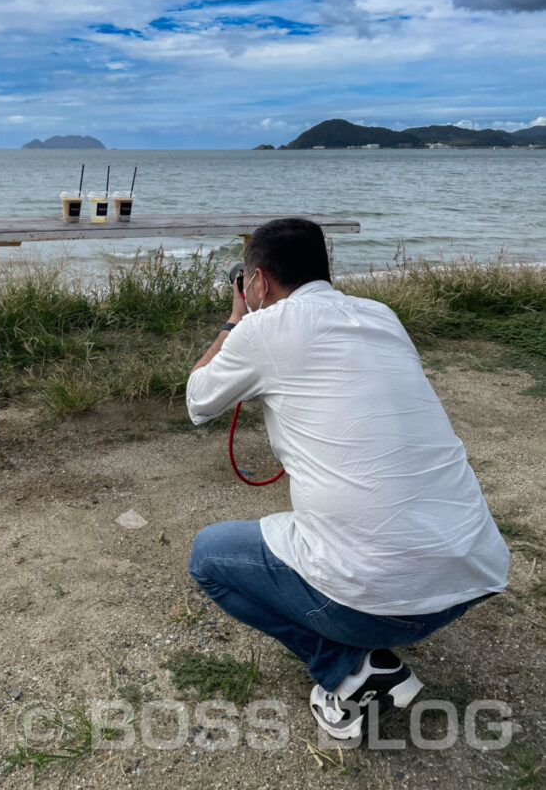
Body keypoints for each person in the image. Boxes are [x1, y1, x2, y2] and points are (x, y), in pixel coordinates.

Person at [185, 218, 509, 740]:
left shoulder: (260, 328)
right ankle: (366, 636)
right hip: (474, 574)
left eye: (247, 281)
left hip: (381, 600)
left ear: (259, 282)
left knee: (209, 556)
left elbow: (198, 399)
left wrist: (234, 320)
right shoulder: (382, 315)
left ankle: (347, 669)